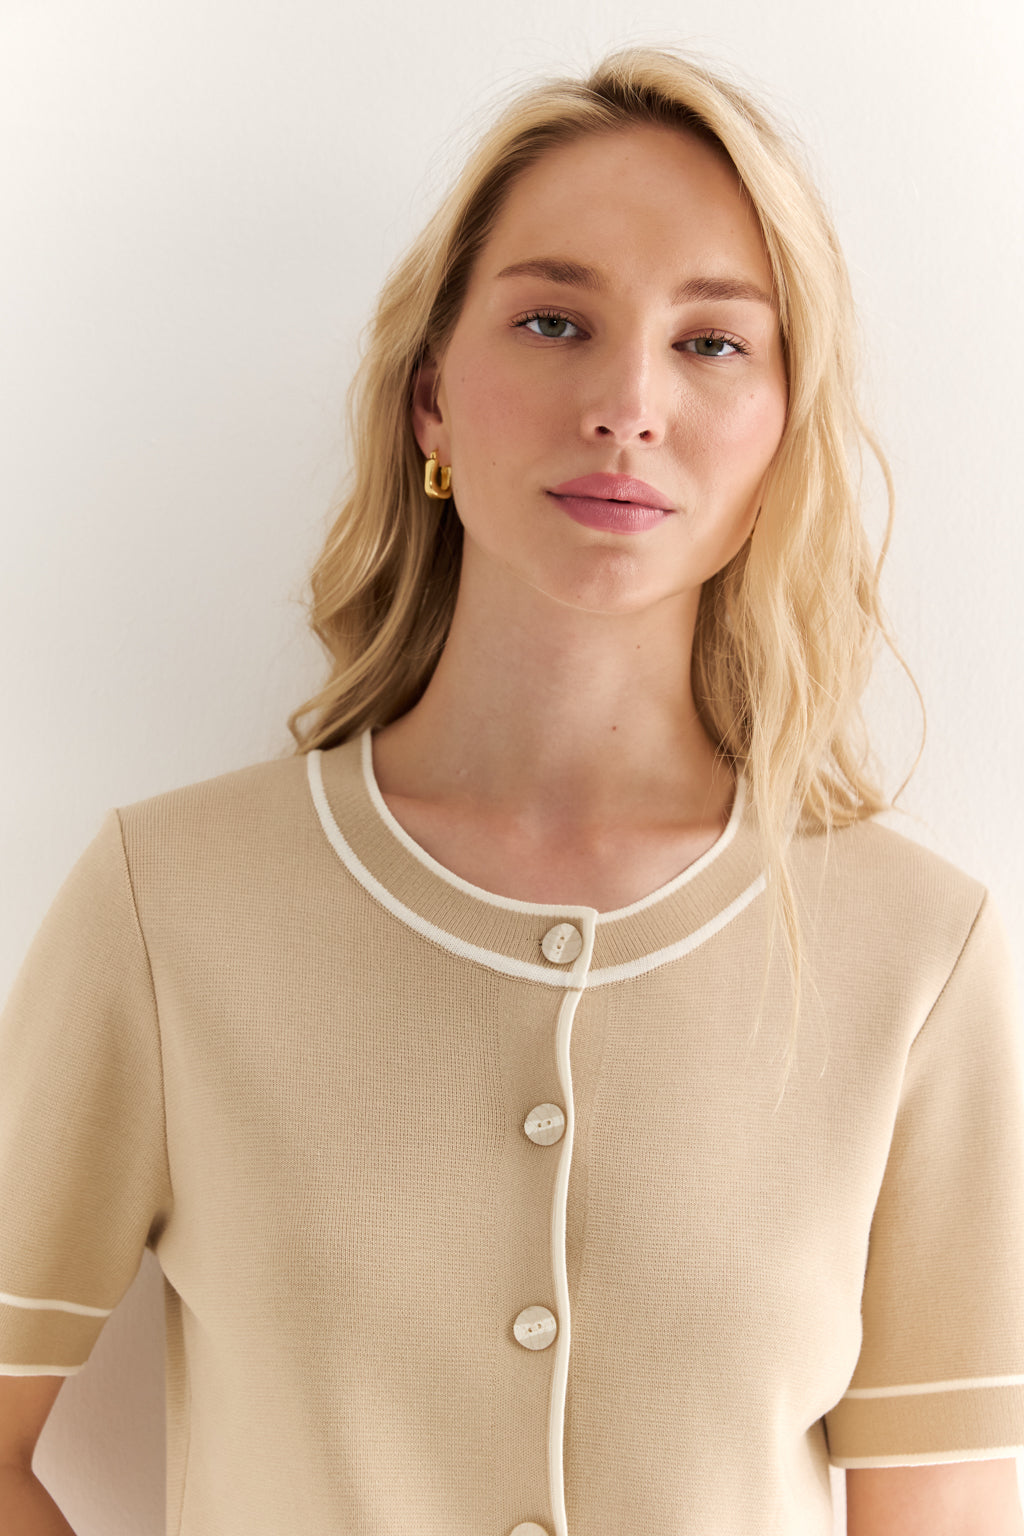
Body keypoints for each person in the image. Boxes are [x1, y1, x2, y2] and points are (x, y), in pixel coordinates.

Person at [1, 44, 1023, 1536]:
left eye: (715, 344)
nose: (627, 401)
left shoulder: (918, 957)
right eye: (554, 320)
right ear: (430, 400)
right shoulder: (170, 906)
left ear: (782, 431)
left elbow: (940, 1506)